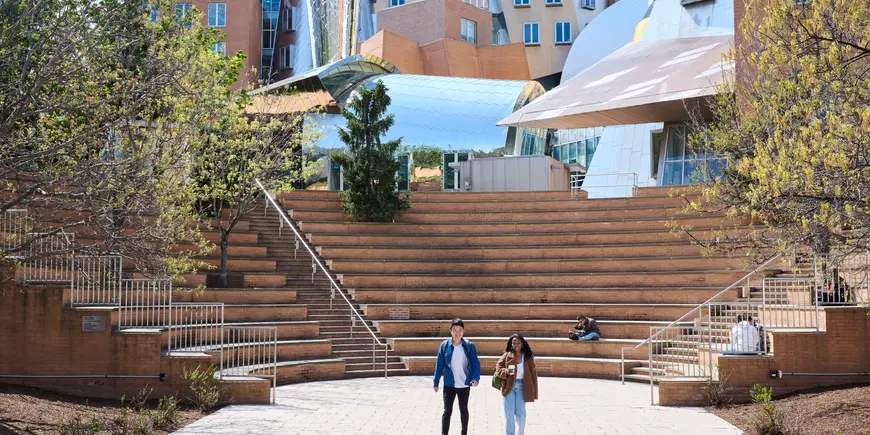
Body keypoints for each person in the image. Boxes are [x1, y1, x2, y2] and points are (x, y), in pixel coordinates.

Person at [433, 318, 481, 435]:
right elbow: (439, 365)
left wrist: (476, 378)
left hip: (464, 383)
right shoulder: (445, 346)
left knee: (463, 410)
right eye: (454, 330)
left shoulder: (469, 346)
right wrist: (436, 381)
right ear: (450, 331)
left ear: (463, 331)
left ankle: (464, 433)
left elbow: (475, 363)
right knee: (447, 411)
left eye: (460, 330)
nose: (457, 333)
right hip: (449, 384)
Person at [495, 334, 539, 435]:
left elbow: (533, 374)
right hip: (508, 387)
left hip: (522, 387)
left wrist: (534, 391)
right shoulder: (506, 355)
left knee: (521, 414)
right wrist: (506, 371)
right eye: (514, 343)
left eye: (518, 343)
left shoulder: (527, 356)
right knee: (509, 415)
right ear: (511, 344)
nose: (516, 345)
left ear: (522, 344)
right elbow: (498, 369)